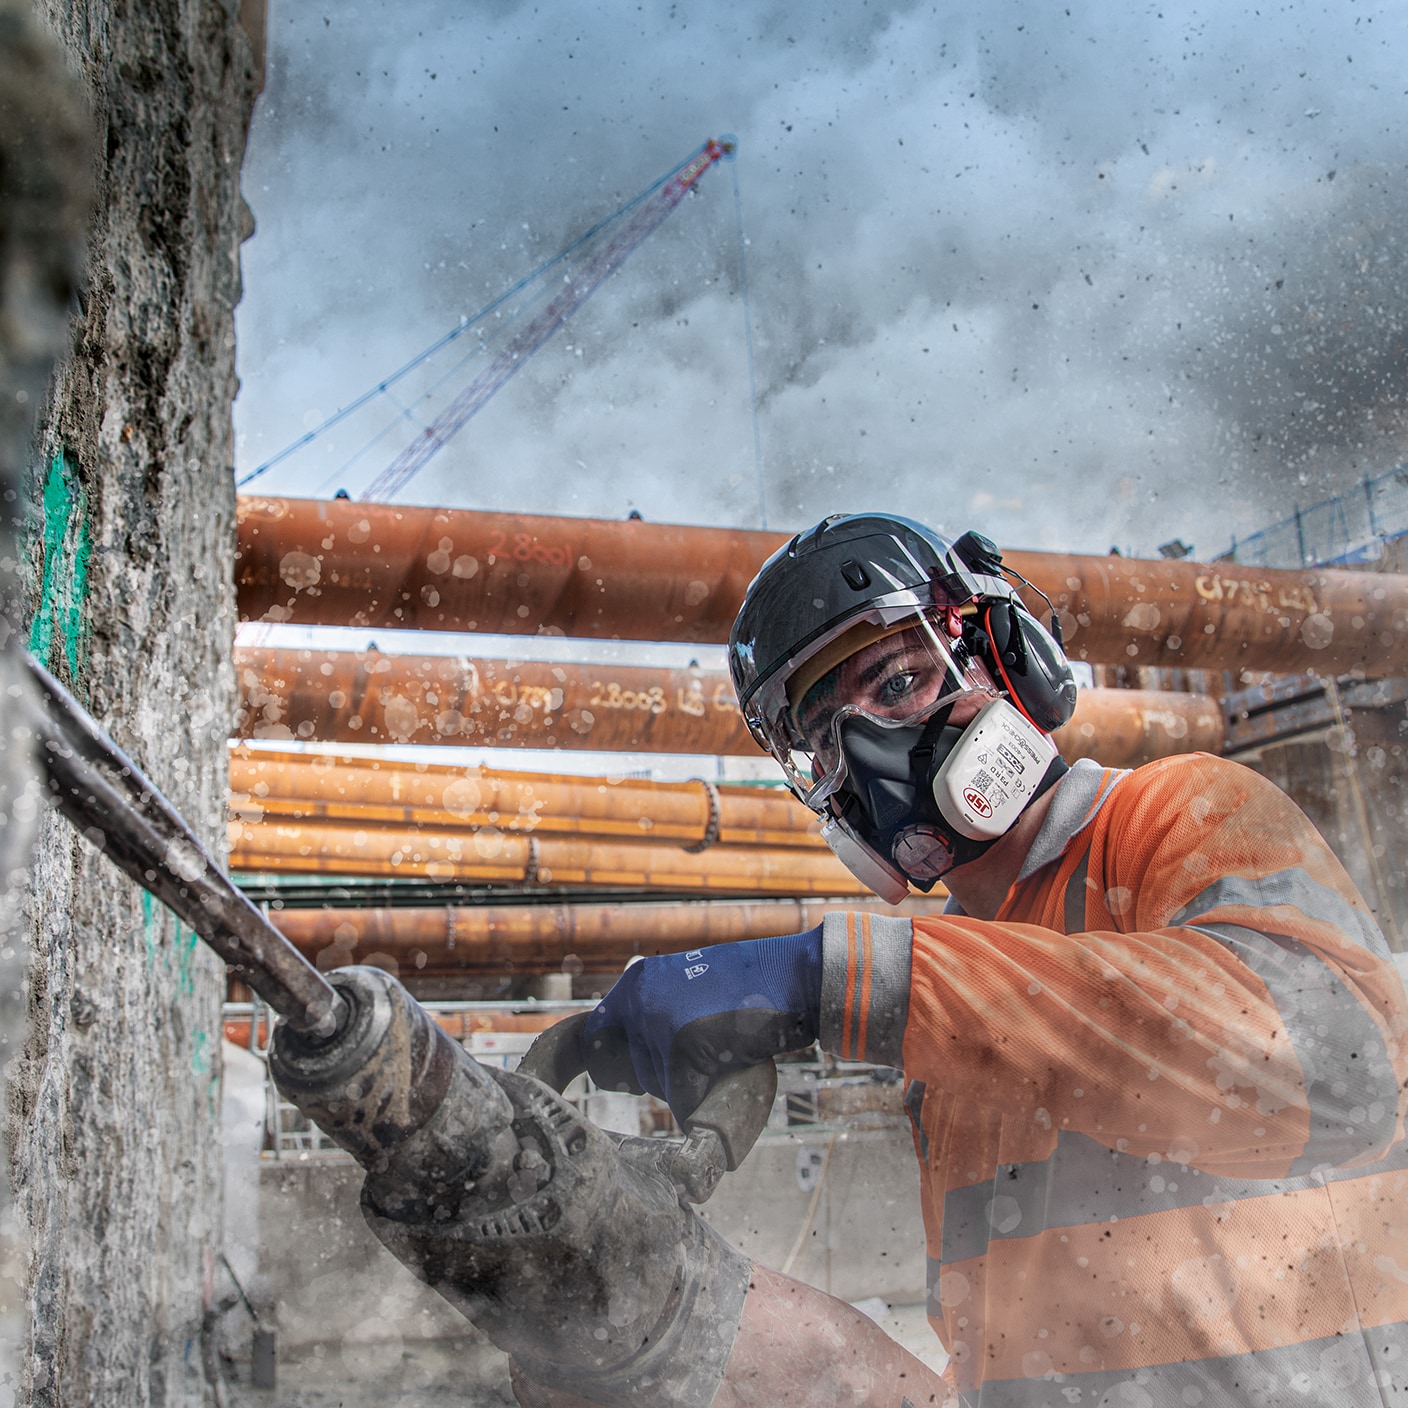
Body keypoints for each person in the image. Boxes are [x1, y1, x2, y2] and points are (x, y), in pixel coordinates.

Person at [567, 512, 1408, 1407]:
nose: (867, 756)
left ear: (1007, 654)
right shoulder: (945, 1045)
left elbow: (1339, 1074)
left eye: (897, 680)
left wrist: (835, 978)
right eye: (823, 743)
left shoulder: (1177, 819)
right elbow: (1007, 1361)